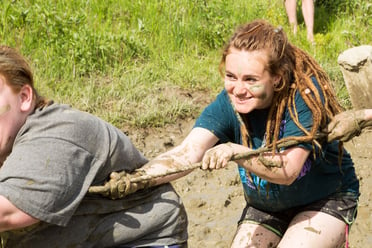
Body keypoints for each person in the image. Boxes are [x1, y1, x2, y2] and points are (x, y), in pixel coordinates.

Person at [99, 19, 360, 247]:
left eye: (251, 80)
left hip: (326, 199)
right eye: (231, 76)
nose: (238, 89)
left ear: (277, 79)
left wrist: (235, 151)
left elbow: (288, 170)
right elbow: (186, 154)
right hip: (267, 206)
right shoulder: (228, 104)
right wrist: (136, 178)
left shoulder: (302, 98)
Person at [0, 45, 188, 248]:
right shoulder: (8, 140)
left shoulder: (58, 133)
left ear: (24, 97)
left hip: (142, 239)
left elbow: (8, 212)